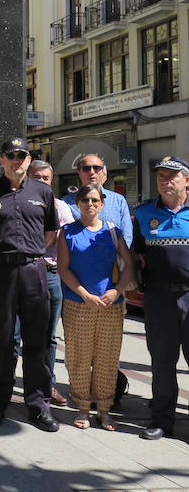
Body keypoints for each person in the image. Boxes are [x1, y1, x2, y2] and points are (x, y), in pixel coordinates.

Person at [0, 137, 60, 432]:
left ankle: (38, 405)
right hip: (1, 271)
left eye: (22, 155)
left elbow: (51, 233)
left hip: (33, 270)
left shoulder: (43, 191)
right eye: (11, 155)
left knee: (36, 340)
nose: (17, 160)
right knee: (3, 339)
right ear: (2, 159)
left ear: (29, 159)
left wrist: (29, 254)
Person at [56, 183, 134, 431]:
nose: (90, 204)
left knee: (107, 359)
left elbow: (129, 265)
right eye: (85, 200)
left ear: (102, 204)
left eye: (94, 200)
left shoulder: (113, 230)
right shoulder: (67, 232)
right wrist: (84, 294)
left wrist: (116, 290)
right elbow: (63, 268)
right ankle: (82, 407)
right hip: (78, 304)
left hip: (111, 304)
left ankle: (104, 409)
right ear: (77, 204)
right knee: (79, 357)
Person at [132, 156, 189, 440]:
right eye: (161, 176)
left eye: (172, 175)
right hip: (159, 300)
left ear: (186, 180)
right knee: (162, 363)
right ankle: (162, 421)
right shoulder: (143, 214)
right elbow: (138, 253)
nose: (165, 181)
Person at [25, 160, 74, 407]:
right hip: (22, 272)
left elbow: (61, 238)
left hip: (51, 274)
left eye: (45, 177)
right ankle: (13, 383)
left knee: (49, 336)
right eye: (36, 176)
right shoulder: (19, 201)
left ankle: (48, 384)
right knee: (13, 334)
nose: (41, 181)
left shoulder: (61, 207)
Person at [62, 154, 132, 247]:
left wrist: (122, 257)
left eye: (96, 168)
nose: (91, 172)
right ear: (79, 172)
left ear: (103, 171)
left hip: (113, 259)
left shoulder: (118, 200)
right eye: (86, 168)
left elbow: (127, 234)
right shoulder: (65, 203)